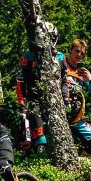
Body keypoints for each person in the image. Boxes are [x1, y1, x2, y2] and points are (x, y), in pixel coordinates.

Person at [14, 21, 61, 150]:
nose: (47, 41)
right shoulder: (27, 57)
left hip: (56, 102)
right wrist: (22, 103)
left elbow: (64, 81)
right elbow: (19, 82)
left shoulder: (60, 57)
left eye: (50, 38)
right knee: (36, 133)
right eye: (44, 38)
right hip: (33, 101)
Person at [60, 39, 91, 153]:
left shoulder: (82, 73)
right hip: (59, 111)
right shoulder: (61, 61)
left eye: (82, 53)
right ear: (71, 50)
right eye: (77, 51)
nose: (79, 55)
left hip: (76, 117)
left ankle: (82, 159)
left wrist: (90, 80)